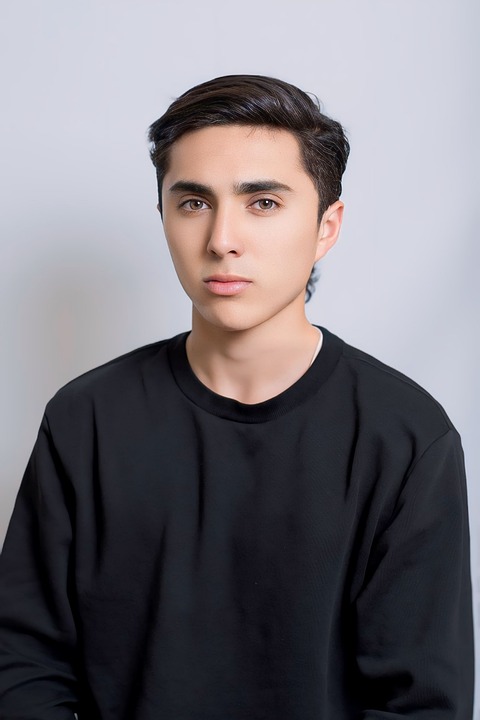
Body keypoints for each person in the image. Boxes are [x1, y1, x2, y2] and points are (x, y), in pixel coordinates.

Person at [0, 75, 474, 719]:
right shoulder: (86, 420)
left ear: (326, 226)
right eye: (194, 202)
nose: (222, 238)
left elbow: (421, 703)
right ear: (163, 217)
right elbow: (23, 665)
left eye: (263, 202)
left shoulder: (406, 436)